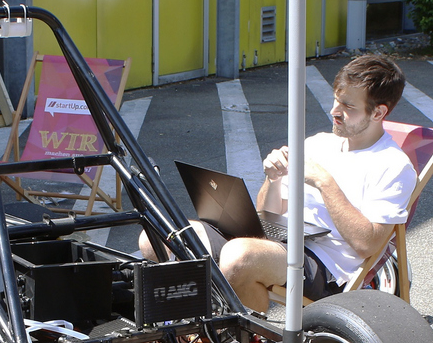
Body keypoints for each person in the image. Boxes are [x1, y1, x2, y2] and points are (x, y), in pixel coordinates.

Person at [144, 54, 417, 313]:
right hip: (282, 240)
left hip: (326, 265)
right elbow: (267, 214)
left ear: (379, 113)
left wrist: (325, 183)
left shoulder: (393, 166)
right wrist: (273, 180)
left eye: (348, 106)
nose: (335, 111)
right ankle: (190, 330)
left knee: (240, 256)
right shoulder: (318, 143)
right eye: (336, 101)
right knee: (160, 237)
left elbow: (367, 245)